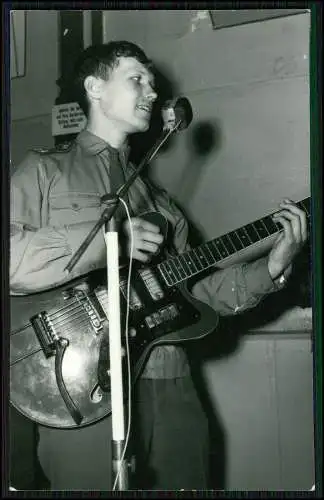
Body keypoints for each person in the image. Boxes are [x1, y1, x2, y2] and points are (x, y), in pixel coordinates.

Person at [10, 41, 308, 491]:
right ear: (95, 87)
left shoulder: (162, 205)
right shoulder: (43, 172)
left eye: (152, 81)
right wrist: (113, 241)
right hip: (86, 387)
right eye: (138, 79)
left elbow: (200, 294)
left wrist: (272, 266)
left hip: (171, 382)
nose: (154, 91)